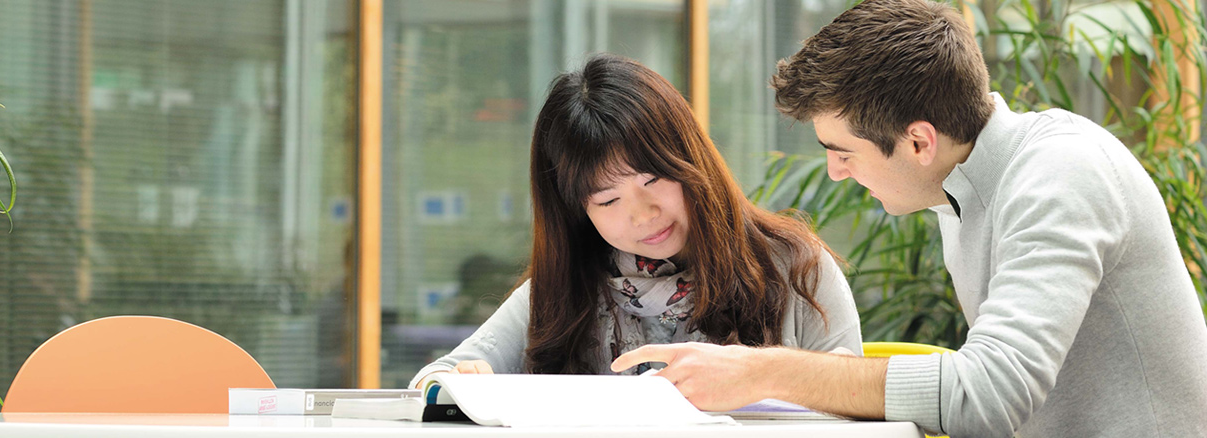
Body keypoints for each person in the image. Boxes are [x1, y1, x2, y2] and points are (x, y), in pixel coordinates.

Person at [611, 1, 1207, 436]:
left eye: (842, 152)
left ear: (919, 141)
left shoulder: (1059, 173)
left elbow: (988, 397)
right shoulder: (965, 184)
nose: (836, 173)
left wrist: (763, 371)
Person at [409, 54, 862, 389]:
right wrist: (462, 383)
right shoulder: (563, 286)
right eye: (607, 200)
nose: (642, 214)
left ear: (691, 161)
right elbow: (435, 380)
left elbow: (856, 398)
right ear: (577, 212)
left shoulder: (797, 268)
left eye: (656, 178)